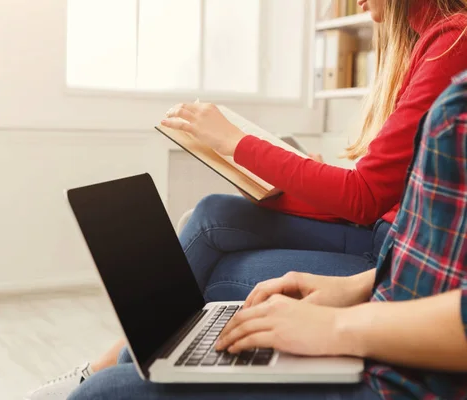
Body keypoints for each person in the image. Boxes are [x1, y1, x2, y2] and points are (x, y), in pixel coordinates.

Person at [24, 0, 467, 399]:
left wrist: (239, 144)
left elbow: (364, 197)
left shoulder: (453, 42)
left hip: (379, 246)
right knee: (213, 213)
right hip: (385, 246)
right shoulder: (428, 42)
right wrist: (272, 179)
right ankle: (130, 365)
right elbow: (374, 192)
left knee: (221, 276)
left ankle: (119, 368)